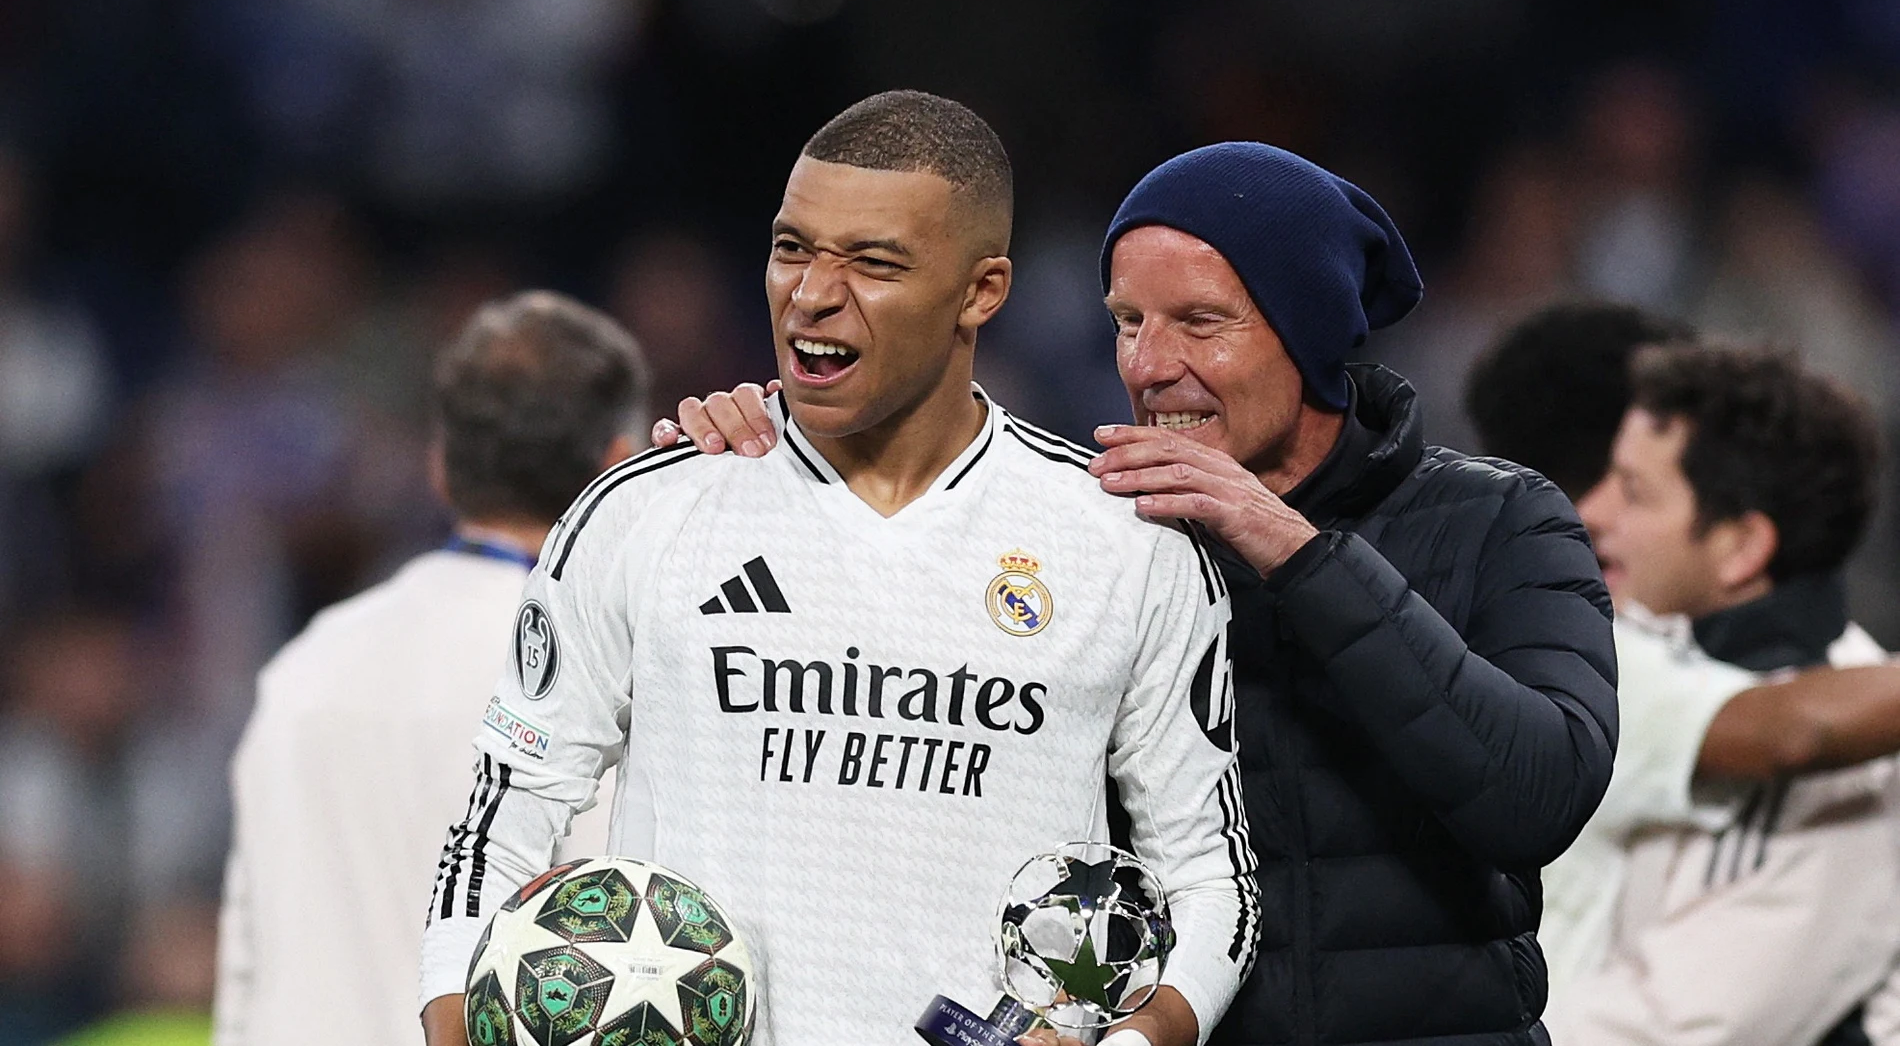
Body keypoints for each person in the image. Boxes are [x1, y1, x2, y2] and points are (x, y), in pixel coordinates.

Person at [665, 142, 1619, 1046]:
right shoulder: (1089, 540)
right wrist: (753, 481)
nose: (1148, 365)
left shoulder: (1501, 519)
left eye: (1200, 322)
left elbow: (1536, 796)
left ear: (1312, 330)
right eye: (1127, 321)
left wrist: (1294, 549)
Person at [418, 92, 1257, 1046]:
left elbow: (1209, 877)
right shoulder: (646, 512)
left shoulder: (1124, 545)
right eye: (791, 248)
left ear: (982, 292)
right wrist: (455, 1023)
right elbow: (499, 820)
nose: (812, 293)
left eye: (873, 262)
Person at [213, 291, 647, 1046]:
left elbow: (246, 966)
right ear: (620, 463)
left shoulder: (305, 665)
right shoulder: (613, 676)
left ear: (440, 466)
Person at [1464, 303, 1900, 1004]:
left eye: (1635, 489)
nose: (1602, 517)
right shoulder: (1582, 655)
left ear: (1741, 544)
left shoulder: (1862, 749)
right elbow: (1787, 729)